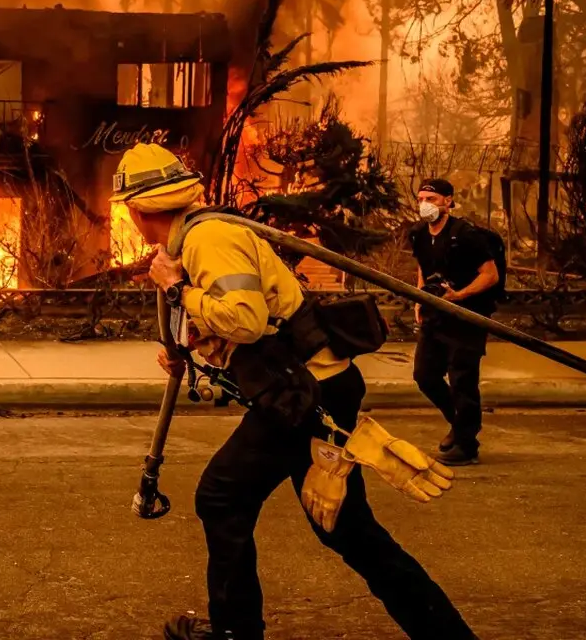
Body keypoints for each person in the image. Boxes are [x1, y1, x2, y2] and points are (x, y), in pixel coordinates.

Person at [111, 143, 475, 640]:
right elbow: (238, 318)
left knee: (222, 497)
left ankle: (236, 631)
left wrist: (177, 289)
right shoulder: (194, 238)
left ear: (137, 209)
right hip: (310, 386)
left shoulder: (207, 239)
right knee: (347, 530)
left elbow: (244, 318)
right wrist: (189, 340)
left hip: (305, 393)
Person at [408, 178, 500, 466]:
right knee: (425, 376)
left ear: (448, 200)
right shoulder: (419, 234)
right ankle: (461, 427)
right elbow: (424, 268)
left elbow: (490, 275)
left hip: (467, 317)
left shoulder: (467, 235)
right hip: (435, 316)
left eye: (432, 199)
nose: (425, 205)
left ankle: (466, 444)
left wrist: (458, 296)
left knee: (462, 380)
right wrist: (419, 299)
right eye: (421, 199)